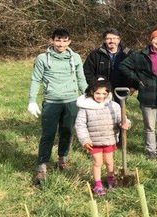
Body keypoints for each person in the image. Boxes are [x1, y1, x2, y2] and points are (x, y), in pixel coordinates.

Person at [27, 28, 88, 183]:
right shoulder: (42, 58)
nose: (61, 44)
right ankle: (41, 166)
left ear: (69, 41)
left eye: (64, 40)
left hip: (71, 101)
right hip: (51, 102)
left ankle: (63, 159)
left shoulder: (75, 58)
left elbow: (81, 78)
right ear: (51, 40)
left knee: (67, 131)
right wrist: (31, 100)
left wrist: (88, 96)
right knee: (48, 134)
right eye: (58, 40)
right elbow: (36, 79)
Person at [119, 28, 157, 161]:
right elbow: (123, 66)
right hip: (147, 96)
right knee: (150, 127)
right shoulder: (140, 55)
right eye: (155, 38)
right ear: (151, 40)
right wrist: (136, 79)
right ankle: (150, 151)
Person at [75, 78, 130, 196]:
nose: (101, 96)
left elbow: (122, 118)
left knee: (110, 162)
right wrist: (85, 139)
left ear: (108, 94)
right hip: (93, 141)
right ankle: (98, 184)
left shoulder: (113, 106)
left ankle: (111, 179)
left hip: (109, 139)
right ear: (92, 92)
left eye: (104, 93)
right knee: (97, 162)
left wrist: (125, 123)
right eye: (98, 93)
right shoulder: (85, 107)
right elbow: (80, 125)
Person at [83, 28, 134, 103]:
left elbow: (135, 70)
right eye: (108, 38)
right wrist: (95, 85)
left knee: (119, 111)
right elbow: (87, 71)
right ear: (104, 40)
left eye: (114, 38)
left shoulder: (128, 53)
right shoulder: (95, 54)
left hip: (122, 89)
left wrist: (133, 85)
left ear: (119, 40)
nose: (112, 41)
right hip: (101, 90)